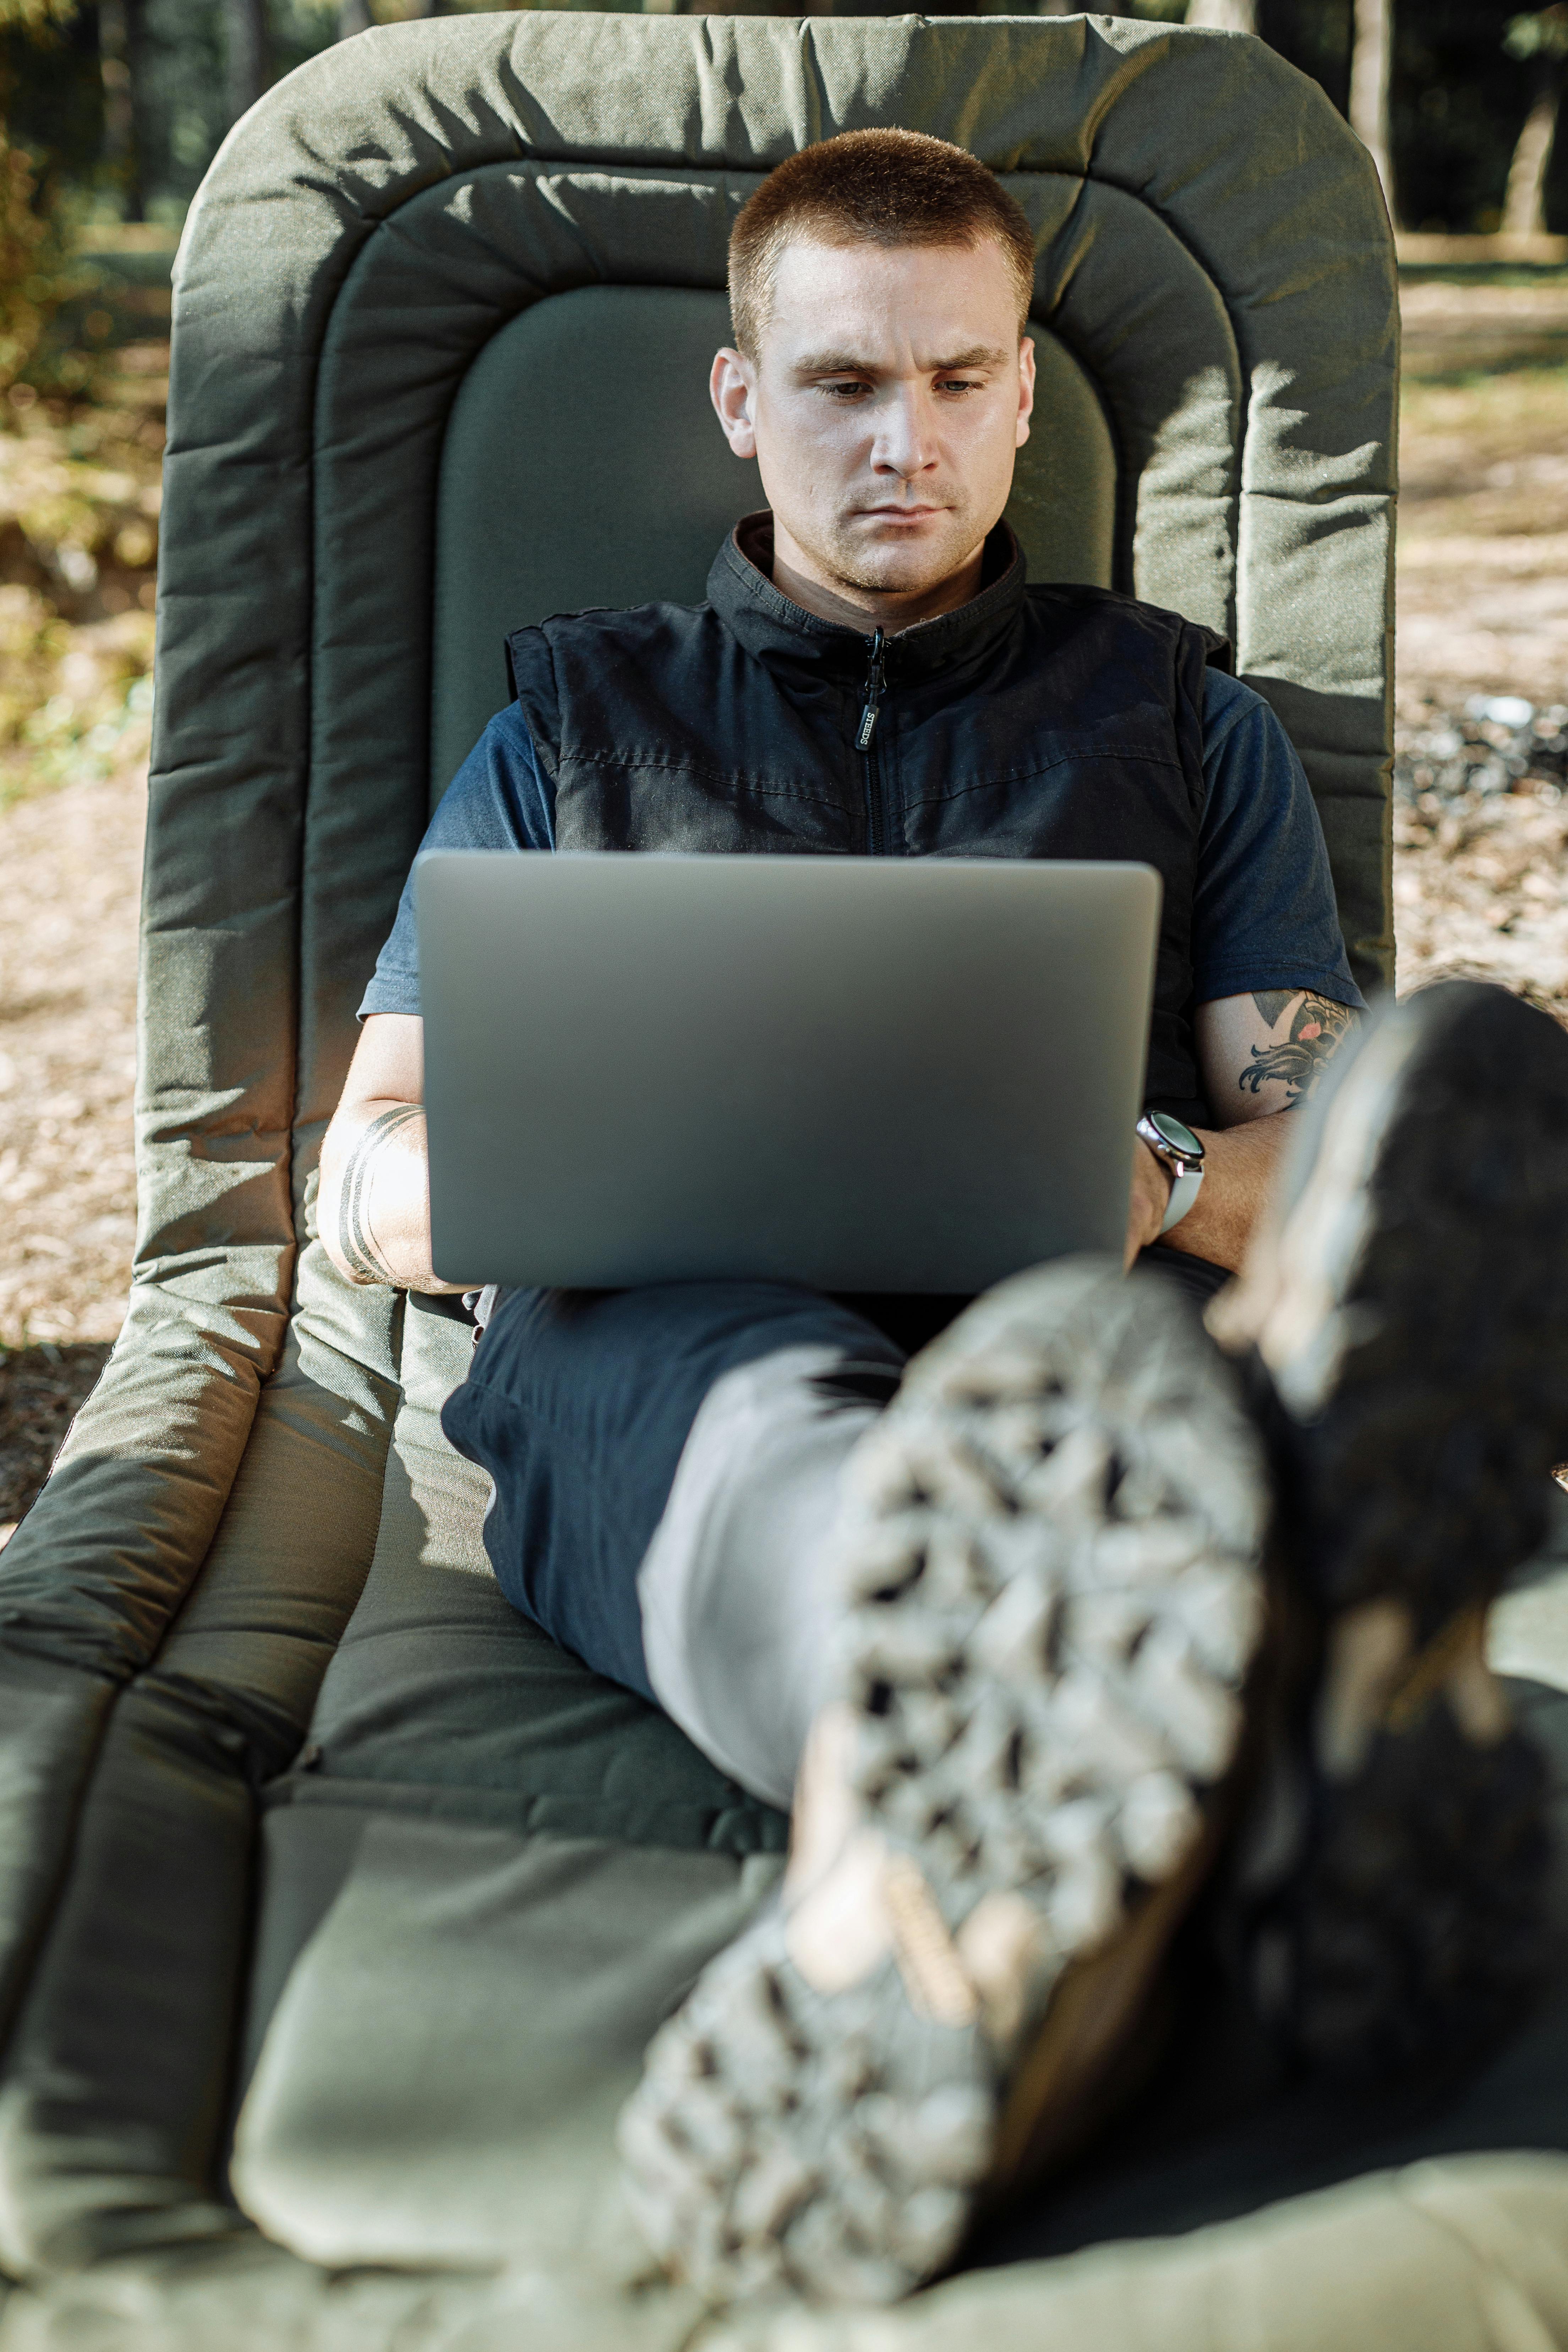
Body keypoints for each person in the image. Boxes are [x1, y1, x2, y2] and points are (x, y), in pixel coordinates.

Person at [317, 131, 1568, 2308]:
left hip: (1092, 1336)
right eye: (837, 385)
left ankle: (984, 1875)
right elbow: (366, 1175)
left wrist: (1162, 1172)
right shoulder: (564, 728)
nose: (900, 440)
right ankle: (1170, 1738)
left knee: (1138, 1373)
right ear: (740, 397)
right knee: (704, 1389)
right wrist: (565, 1178)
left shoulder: (1184, 720)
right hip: (661, 1342)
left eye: (954, 379)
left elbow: (1316, 1170)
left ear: (1015, 396)